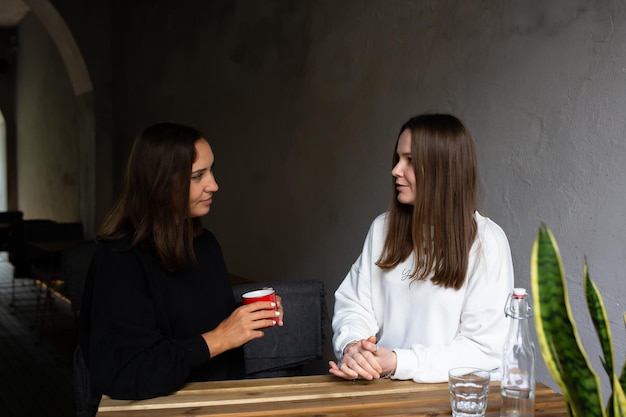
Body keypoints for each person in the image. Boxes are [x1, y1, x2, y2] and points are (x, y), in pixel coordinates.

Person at [78, 123, 284, 403]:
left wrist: (247, 319)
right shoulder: (119, 261)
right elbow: (128, 374)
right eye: (198, 176)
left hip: (215, 404)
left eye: (211, 170)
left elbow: (191, 323)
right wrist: (221, 337)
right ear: (161, 184)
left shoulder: (205, 243)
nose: (214, 185)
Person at [329, 113, 514, 383]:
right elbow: (354, 304)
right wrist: (354, 347)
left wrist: (397, 362)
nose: (396, 170)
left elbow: (483, 349)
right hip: (382, 395)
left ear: (444, 168)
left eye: (411, 161)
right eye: (398, 159)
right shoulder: (383, 228)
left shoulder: (487, 242)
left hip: (451, 401)